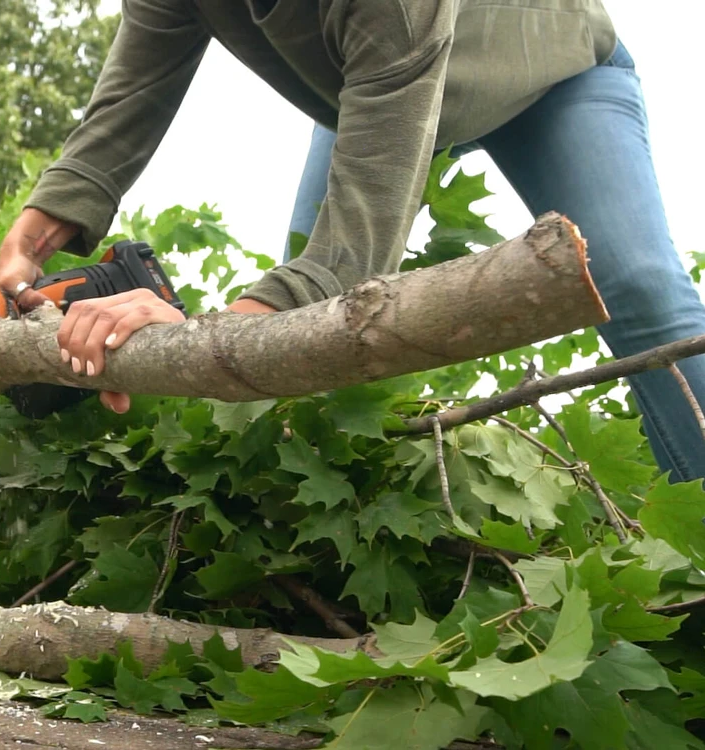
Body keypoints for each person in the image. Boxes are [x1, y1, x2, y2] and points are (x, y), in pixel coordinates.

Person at [0, 1, 702, 475]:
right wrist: (39, 228)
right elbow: (131, 94)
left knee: (638, 285)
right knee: (303, 345)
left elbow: (348, 253)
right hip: (371, 91)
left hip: (551, 72)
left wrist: (205, 337)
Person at [282, 41, 705, 483]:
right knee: (310, 309)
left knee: (642, 286)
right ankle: (298, 503)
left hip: (554, 52)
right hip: (379, 75)